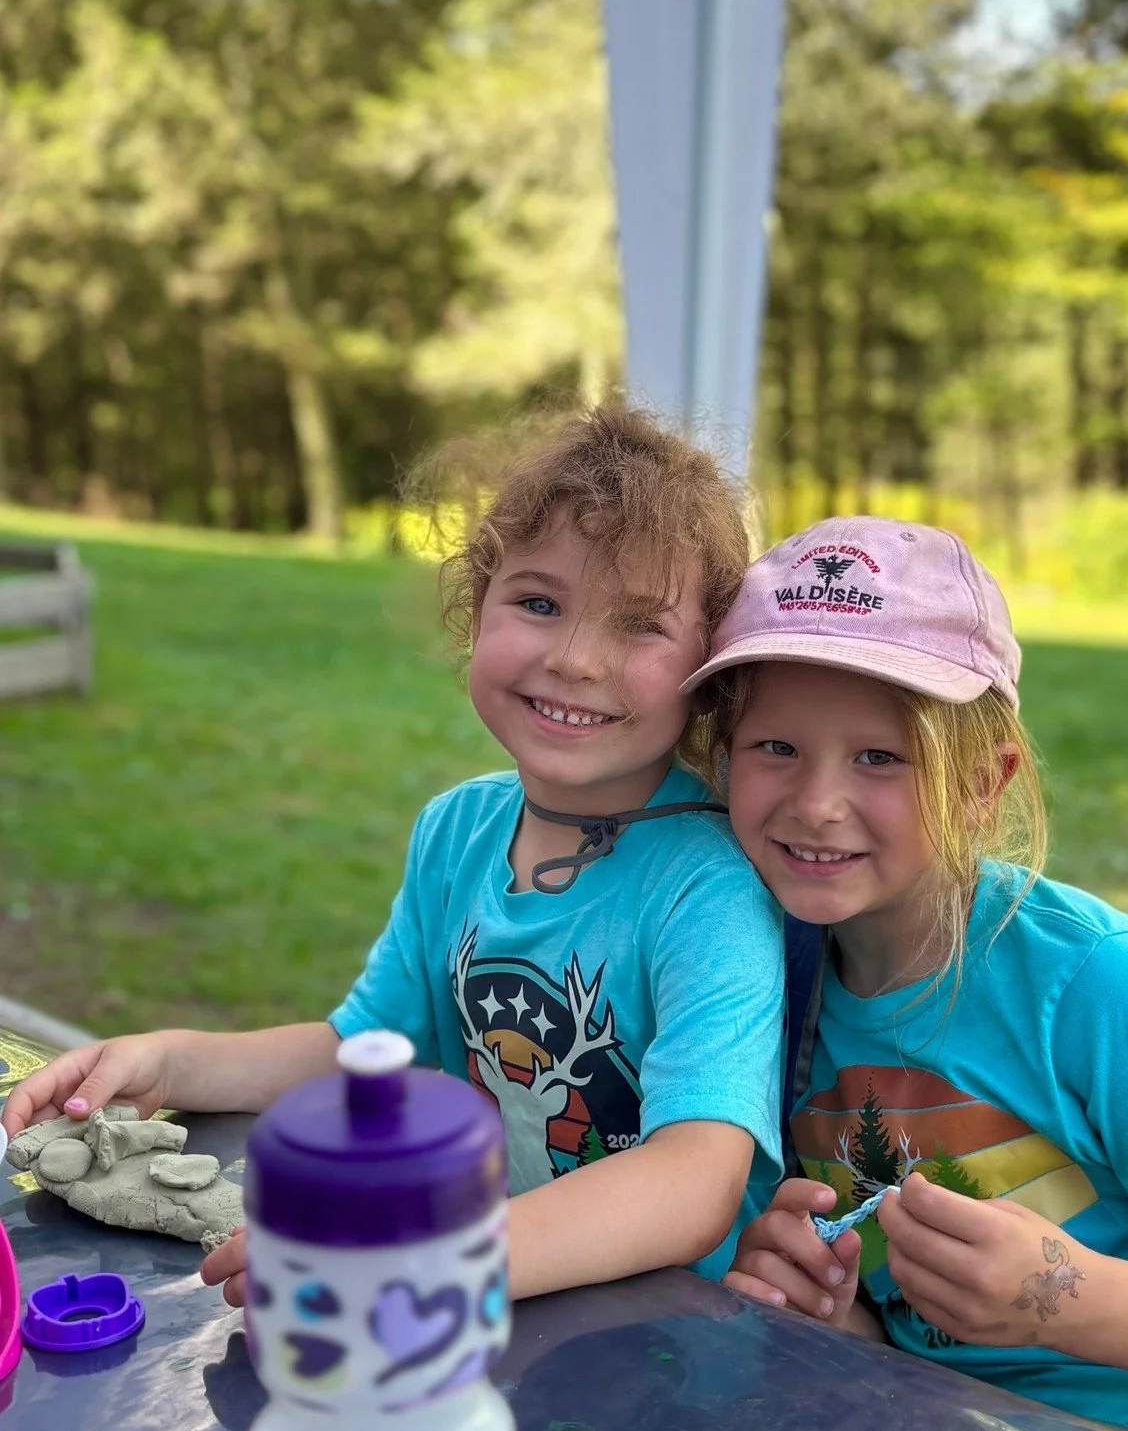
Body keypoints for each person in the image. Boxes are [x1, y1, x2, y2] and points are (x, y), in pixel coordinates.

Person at [2, 408, 785, 1304]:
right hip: (478, 1311)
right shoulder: (457, 832)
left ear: (710, 666)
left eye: (639, 625)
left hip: (661, 1346)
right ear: (475, 610)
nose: (574, 659)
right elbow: (359, 1047)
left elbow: (695, 1180)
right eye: (538, 603)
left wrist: (417, 1261)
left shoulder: (708, 888)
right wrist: (172, 1062)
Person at [683, 516, 1128, 1431]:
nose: (817, 802)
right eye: (776, 745)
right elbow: (900, 1343)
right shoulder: (756, 985)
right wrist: (836, 1310)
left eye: (881, 758)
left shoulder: (1101, 985)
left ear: (985, 783)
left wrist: (1060, 1296)